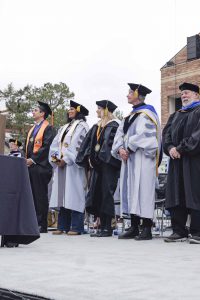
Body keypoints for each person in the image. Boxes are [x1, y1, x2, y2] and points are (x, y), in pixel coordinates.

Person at [162, 82, 200, 244]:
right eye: (182, 93)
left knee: (195, 193)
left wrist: (181, 148)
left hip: (195, 160)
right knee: (176, 194)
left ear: (197, 95)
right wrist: (170, 147)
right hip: (176, 161)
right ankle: (179, 231)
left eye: (187, 93)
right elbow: (166, 135)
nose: (183, 96)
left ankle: (198, 232)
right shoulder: (176, 114)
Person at [112, 83, 161, 241]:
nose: (127, 95)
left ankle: (146, 228)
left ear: (138, 95)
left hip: (143, 159)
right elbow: (119, 135)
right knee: (131, 191)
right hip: (128, 160)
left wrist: (129, 148)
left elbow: (146, 137)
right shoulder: (128, 116)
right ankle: (133, 226)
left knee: (144, 192)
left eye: (130, 93)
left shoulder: (148, 114)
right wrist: (120, 149)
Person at [76, 100, 121, 237]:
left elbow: (111, 146)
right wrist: (89, 157)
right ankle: (101, 225)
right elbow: (89, 144)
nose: (97, 111)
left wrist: (102, 158)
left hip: (108, 166)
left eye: (99, 108)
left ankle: (108, 227)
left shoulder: (114, 125)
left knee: (106, 194)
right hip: (97, 165)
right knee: (97, 194)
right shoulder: (97, 126)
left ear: (106, 110)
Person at [49, 100, 89, 235]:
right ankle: (62, 225)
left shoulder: (82, 127)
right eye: (69, 109)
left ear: (79, 111)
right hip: (61, 167)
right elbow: (55, 145)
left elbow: (78, 145)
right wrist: (56, 159)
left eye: (72, 109)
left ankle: (77, 227)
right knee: (62, 195)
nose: (69, 111)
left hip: (73, 167)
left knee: (74, 194)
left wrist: (65, 160)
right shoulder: (64, 127)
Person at [25, 101, 54, 233]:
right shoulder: (33, 128)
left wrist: (33, 159)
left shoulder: (48, 128)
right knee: (31, 195)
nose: (33, 112)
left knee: (40, 195)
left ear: (42, 113)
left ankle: (42, 224)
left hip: (41, 166)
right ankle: (33, 222)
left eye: (36, 110)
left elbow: (47, 147)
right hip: (30, 166)